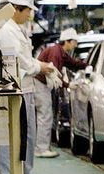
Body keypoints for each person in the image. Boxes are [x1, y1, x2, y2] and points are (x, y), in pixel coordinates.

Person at [0, 0, 54, 174]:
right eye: (28, 10)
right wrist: (40, 67)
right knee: (9, 135)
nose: (30, 15)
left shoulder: (19, 29)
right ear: (17, 10)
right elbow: (17, 61)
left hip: (26, 88)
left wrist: (39, 65)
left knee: (27, 135)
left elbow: (26, 59)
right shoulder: (5, 31)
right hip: (12, 91)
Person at [33, 28, 88, 158]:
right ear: (67, 41)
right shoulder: (56, 53)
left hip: (42, 84)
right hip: (40, 84)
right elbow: (54, 74)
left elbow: (72, 63)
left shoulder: (61, 52)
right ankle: (41, 149)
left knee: (45, 115)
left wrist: (87, 65)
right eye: (74, 41)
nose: (76, 44)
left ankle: (42, 146)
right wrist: (68, 85)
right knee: (45, 116)